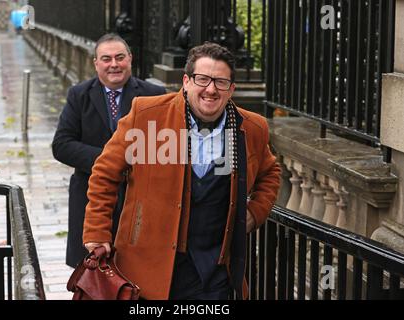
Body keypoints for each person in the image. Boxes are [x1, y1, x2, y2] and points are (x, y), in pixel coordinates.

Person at [83, 42, 281, 299]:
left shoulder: (253, 128)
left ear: (231, 89)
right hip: (147, 266)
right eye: (202, 79)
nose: (210, 89)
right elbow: (104, 174)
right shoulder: (146, 115)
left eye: (220, 82)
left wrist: (254, 213)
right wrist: (97, 231)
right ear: (186, 82)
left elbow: (270, 173)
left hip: (214, 273)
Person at [52, 33, 166, 268]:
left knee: (137, 272)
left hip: (138, 200)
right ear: (96, 63)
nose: (113, 64)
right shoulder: (79, 95)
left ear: (130, 59)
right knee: (93, 274)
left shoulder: (155, 95)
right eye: (106, 59)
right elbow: (62, 145)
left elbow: (164, 146)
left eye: (119, 57)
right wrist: (110, 160)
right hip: (90, 196)